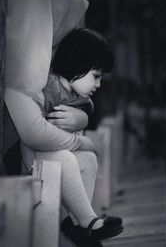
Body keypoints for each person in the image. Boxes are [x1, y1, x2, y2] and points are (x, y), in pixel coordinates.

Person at [17, 28, 123, 246]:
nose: (98, 85)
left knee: (88, 159)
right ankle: (89, 223)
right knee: (66, 158)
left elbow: (86, 114)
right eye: (96, 76)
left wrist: (82, 120)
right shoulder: (49, 88)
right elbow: (27, 132)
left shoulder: (80, 98)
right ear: (78, 63)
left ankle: (78, 224)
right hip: (31, 160)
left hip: (55, 157)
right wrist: (28, 168)